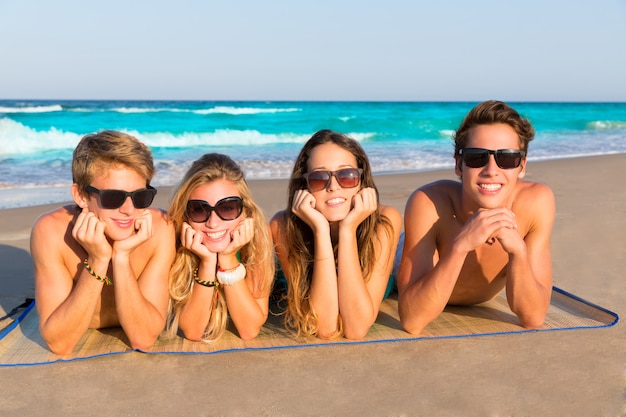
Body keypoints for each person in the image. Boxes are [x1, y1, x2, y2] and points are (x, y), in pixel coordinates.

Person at [397, 100, 555, 334]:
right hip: (397, 257)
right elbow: (412, 320)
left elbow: (533, 318)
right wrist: (460, 246)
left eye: (507, 158)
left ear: (521, 166)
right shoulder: (429, 202)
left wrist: (518, 252)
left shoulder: (535, 203)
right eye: (476, 157)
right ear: (459, 165)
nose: (491, 170)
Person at [30, 130, 176, 355]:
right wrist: (98, 261)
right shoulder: (51, 232)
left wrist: (121, 256)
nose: (129, 210)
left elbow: (143, 339)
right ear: (81, 196)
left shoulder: (160, 228)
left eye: (140, 197)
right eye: (113, 197)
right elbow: (60, 344)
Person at [270, 130, 402, 340]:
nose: (333, 187)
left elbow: (356, 328)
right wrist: (320, 230)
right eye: (319, 178)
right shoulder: (283, 226)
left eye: (347, 176)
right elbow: (325, 327)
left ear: (361, 180)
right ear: (304, 186)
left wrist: (348, 230)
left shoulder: (384, 221)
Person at [167, 153, 274, 342]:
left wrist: (228, 258)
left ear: (245, 212)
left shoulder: (257, 238)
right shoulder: (175, 241)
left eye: (227, 208)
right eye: (199, 209)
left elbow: (249, 329)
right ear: (185, 215)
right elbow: (193, 331)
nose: (213, 223)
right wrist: (208, 263)